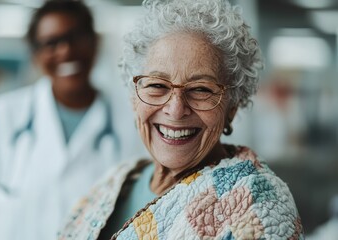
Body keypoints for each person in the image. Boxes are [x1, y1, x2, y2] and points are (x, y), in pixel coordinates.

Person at [58, 0, 304, 239]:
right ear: (134, 98)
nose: (175, 110)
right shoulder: (115, 181)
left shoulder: (258, 205)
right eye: (156, 85)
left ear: (232, 106)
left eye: (201, 89)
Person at [0, 1, 145, 240]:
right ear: (35, 54)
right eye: (50, 43)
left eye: (75, 37)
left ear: (94, 42)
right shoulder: (0, 117)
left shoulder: (131, 118)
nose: (65, 50)